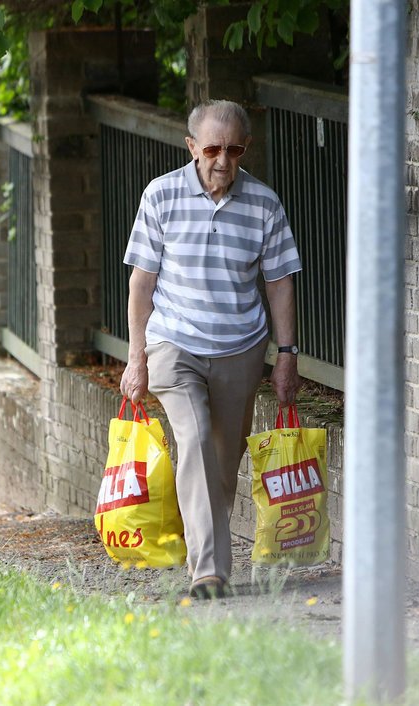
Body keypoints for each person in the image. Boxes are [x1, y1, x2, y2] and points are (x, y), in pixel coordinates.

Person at [119, 99, 302, 599]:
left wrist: (287, 354)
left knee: (222, 462)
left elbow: (281, 281)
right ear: (192, 146)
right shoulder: (161, 196)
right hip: (173, 343)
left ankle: (201, 541)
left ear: (246, 149)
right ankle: (209, 571)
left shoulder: (264, 204)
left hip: (240, 347)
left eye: (235, 149)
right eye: (214, 148)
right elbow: (141, 283)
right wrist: (137, 358)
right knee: (196, 440)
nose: (223, 159)